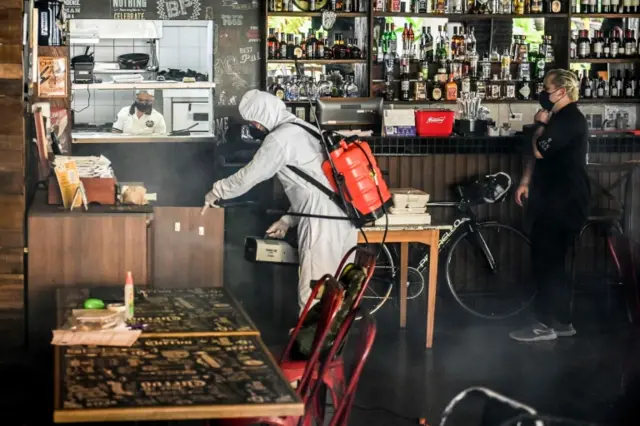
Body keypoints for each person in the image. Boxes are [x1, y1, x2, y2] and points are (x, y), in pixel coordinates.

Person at [202, 89, 358, 313]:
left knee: (316, 289)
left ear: (264, 116)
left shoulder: (280, 138)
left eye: (255, 123)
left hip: (322, 223)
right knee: (338, 289)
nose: (255, 128)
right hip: (344, 214)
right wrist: (288, 221)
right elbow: (312, 186)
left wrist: (216, 191)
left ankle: (313, 345)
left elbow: (250, 176)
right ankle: (333, 342)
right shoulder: (304, 128)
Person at [510, 69, 591, 342]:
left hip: (565, 201)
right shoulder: (559, 118)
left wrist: (538, 125)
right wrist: (525, 181)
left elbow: (539, 149)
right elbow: (538, 158)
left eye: (547, 88)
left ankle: (544, 325)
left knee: (548, 261)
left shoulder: (569, 119)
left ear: (562, 91)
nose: (543, 93)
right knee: (550, 260)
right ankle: (563, 322)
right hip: (553, 198)